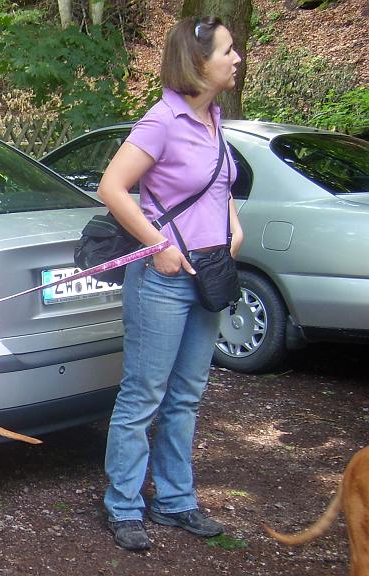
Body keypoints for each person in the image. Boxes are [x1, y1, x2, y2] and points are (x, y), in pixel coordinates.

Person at [97, 15, 244, 551]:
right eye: (227, 51)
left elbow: (217, 184)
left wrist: (233, 222)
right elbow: (112, 187)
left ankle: (177, 502)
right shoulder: (162, 120)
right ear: (197, 62)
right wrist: (158, 246)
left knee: (186, 396)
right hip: (162, 278)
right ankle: (124, 507)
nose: (236, 59)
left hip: (208, 275)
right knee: (144, 395)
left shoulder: (215, 120)